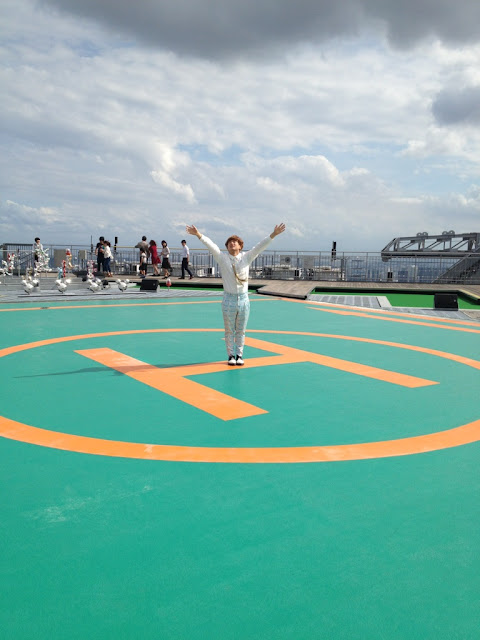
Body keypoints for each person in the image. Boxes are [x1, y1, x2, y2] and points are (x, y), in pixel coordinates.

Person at [186, 222, 286, 365]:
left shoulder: (246, 257)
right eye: (229, 242)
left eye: (235, 242)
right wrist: (198, 235)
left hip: (244, 299)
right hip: (229, 299)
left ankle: (239, 355)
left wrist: (274, 234)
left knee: (241, 330)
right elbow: (211, 245)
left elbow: (259, 246)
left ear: (240, 246)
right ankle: (230, 355)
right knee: (229, 330)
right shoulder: (222, 258)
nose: (232, 243)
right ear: (227, 247)